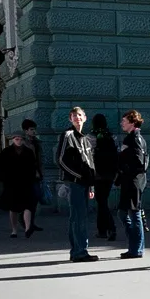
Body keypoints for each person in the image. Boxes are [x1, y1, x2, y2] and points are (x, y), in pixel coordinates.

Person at [57, 106, 98, 262]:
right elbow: (61, 160)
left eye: (79, 115)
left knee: (80, 217)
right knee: (77, 217)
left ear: (85, 118)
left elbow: (90, 164)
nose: (77, 118)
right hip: (74, 183)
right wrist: (78, 177)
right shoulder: (68, 135)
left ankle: (79, 250)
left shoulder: (85, 139)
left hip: (85, 184)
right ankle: (79, 251)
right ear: (70, 119)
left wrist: (91, 185)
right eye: (74, 116)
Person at [0, 132, 39, 238]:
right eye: (16, 139)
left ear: (23, 140)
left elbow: (33, 165)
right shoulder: (7, 151)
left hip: (26, 182)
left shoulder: (28, 152)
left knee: (28, 205)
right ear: (13, 140)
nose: (18, 141)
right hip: (11, 183)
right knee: (13, 208)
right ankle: (14, 230)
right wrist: (0, 176)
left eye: (20, 139)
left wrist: (33, 177)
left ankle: (28, 228)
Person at [116, 110, 148, 259]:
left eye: (124, 121)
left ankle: (136, 248)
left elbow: (139, 162)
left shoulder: (134, 139)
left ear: (132, 122)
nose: (122, 123)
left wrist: (123, 156)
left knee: (134, 215)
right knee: (123, 213)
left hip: (133, 181)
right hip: (130, 180)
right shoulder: (133, 137)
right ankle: (135, 245)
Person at [90, 113, 118, 242]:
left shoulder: (90, 137)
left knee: (101, 202)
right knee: (102, 201)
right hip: (110, 174)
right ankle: (102, 230)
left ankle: (111, 228)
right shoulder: (112, 136)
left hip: (97, 174)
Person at [21, 119, 45, 234]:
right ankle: (26, 221)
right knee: (29, 200)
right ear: (25, 131)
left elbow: (40, 159)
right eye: (31, 129)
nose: (34, 131)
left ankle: (31, 222)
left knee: (35, 199)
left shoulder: (37, 142)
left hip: (36, 174)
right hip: (26, 176)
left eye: (34, 129)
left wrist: (41, 173)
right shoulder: (22, 143)